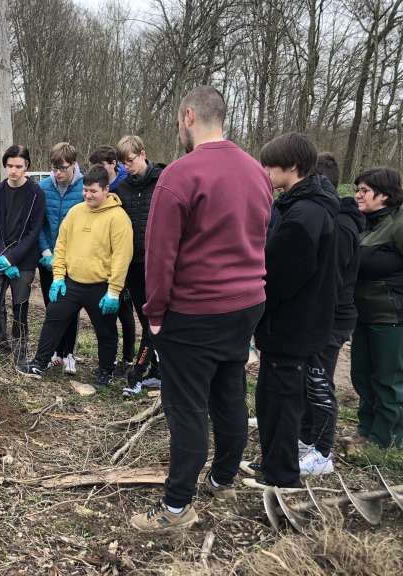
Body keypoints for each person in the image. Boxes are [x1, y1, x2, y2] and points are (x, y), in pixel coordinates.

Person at [129, 86, 272, 532]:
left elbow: (160, 254)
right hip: (247, 303)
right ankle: (224, 477)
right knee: (229, 391)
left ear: (188, 115)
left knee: (187, 406)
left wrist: (155, 312)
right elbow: (261, 235)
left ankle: (176, 508)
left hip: (195, 310)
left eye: (177, 120)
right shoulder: (256, 171)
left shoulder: (180, 174)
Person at [249, 133, 338, 491]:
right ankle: (273, 460)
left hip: (291, 325)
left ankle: (282, 476)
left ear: (294, 168)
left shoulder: (306, 215)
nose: (265, 171)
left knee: (281, 401)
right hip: (294, 325)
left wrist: (257, 311)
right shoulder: (303, 205)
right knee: (272, 396)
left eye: (270, 166)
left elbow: (282, 276)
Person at [17, 165, 133, 388]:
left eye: (93, 191)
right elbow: (61, 245)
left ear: (107, 189)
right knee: (54, 316)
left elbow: (122, 256)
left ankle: (105, 371)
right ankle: (40, 362)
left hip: (101, 286)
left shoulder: (118, 218)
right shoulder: (76, 212)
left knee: (106, 331)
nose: (88, 195)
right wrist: (59, 276)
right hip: (72, 282)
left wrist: (114, 291)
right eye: (85, 190)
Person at [298, 153, 363, 474]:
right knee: (309, 378)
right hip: (318, 316)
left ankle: (323, 453)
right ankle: (307, 438)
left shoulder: (340, 225)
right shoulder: (329, 218)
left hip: (332, 318)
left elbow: (331, 282)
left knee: (321, 381)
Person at [351, 167, 403, 449]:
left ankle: (387, 439)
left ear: (384, 194)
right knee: (361, 374)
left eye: (364, 190)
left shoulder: (398, 224)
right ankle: (365, 429)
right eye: (357, 189)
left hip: (391, 315)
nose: (358, 195)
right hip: (364, 313)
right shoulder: (365, 222)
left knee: (388, 378)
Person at [0, 144, 45, 364]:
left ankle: (20, 351)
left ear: (26, 166)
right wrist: (2, 255)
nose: (13, 170)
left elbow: (34, 231)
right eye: (9, 165)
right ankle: (2, 345)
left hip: (24, 260)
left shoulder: (35, 193)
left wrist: (13, 258)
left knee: (20, 307)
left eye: (18, 166)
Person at [115, 135, 165, 390]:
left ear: (143, 154)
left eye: (131, 160)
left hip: (158, 263)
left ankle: (149, 368)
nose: (127, 167)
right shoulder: (121, 189)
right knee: (144, 319)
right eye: (123, 163)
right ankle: (152, 368)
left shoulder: (163, 180)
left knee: (159, 318)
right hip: (133, 264)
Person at [89, 145, 136, 380]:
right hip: (101, 261)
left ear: (112, 164)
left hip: (124, 258)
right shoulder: (98, 189)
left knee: (126, 312)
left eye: (101, 166)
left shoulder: (125, 187)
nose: (98, 170)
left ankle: (129, 357)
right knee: (108, 314)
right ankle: (110, 357)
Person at [37, 142, 84, 374]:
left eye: (63, 168)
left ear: (73, 165)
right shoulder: (44, 187)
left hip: (75, 260)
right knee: (52, 305)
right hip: (48, 259)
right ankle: (54, 350)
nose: (58, 174)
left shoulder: (85, 187)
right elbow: (40, 224)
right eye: (54, 168)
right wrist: (45, 252)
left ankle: (68, 353)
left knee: (70, 308)